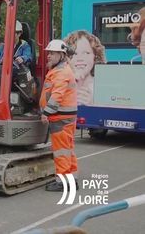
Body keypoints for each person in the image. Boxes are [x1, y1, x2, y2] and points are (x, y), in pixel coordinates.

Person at [40, 39, 78, 192]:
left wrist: (46, 113)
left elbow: (57, 96)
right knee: (68, 149)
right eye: (48, 53)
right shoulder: (61, 70)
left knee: (61, 151)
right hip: (65, 117)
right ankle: (73, 180)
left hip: (60, 118)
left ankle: (62, 182)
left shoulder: (61, 72)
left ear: (61, 55)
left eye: (52, 53)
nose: (49, 56)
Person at [64, 30, 106, 105]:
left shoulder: (104, 86)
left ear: (95, 56)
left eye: (86, 53)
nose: (80, 58)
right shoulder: (61, 83)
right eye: (75, 54)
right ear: (67, 58)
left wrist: (92, 103)